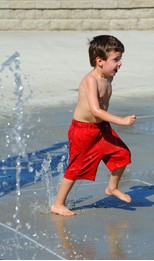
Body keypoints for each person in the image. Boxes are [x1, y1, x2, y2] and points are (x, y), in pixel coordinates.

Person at [50, 35, 136, 216]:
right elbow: (96, 110)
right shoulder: (91, 80)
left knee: (122, 154)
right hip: (83, 131)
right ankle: (58, 204)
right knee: (76, 167)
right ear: (100, 61)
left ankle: (112, 188)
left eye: (120, 59)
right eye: (116, 59)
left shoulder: (108, 77)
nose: (120, 64)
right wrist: (121, 121)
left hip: (101, 129)